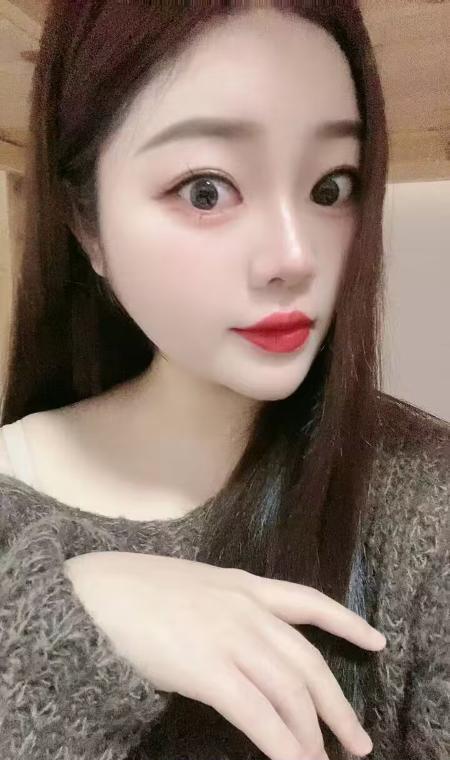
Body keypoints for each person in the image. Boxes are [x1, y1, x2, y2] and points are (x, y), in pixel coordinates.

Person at [0, 1, 448, 759]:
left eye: (331, 187)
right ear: (87, 224)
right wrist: (64, 625)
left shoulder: (424, 510)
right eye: (205, 190)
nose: (295, 256)